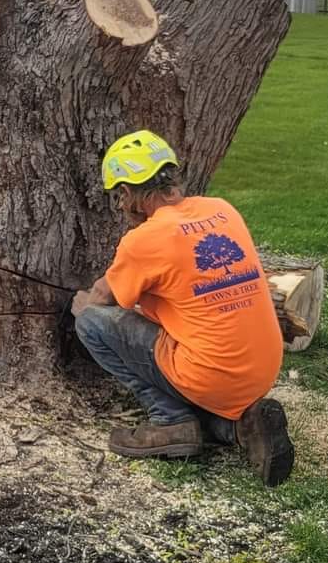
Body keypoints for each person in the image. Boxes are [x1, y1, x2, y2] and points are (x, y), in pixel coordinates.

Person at [70, 130, 294, 486]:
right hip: (261, 370)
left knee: (91, 324)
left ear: (128, 193)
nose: (118, 205)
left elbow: (103, 299)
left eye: (117, 196)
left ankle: (171, 420)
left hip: (210, 373)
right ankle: (239, 427)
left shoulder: (145, 239)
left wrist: (80, 304)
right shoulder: (222, 210)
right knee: (190, 348)